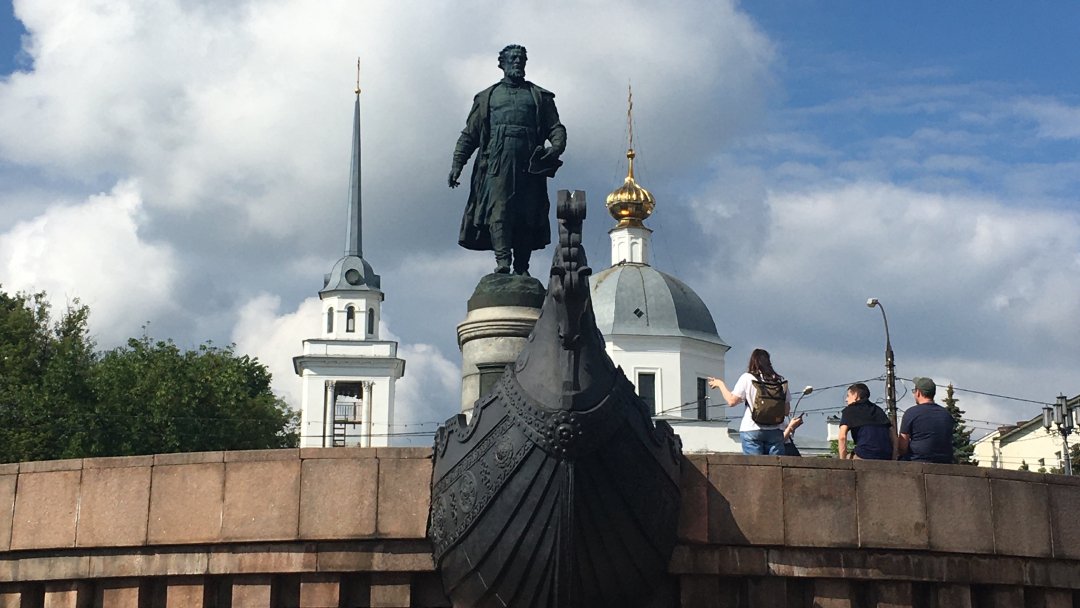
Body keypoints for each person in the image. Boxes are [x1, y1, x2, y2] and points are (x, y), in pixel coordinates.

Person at [448, 44, 567, 276]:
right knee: (499, 210)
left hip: (530, 163)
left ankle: (522, 267)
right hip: (497, 162)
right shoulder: (488, 97)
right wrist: (457, 164)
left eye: (521, 59)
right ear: (501, 63)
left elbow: (555, 127)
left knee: (527, 213)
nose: (517, 62)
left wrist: (556, 147)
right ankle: (503, 261)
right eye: (512, 58)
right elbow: (470, 135)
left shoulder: (539, 96)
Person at [708, 348, 791, 456]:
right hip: (775, 431)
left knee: (755, 465)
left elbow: (731, 401)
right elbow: (786, 411)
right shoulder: (779, 381)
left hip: (751, 429)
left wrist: (720, 384)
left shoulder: (747, 378)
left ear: (753, 362)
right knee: (775, 465)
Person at [898, 376, 955, 464]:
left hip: (917, 461)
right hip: (945, 461)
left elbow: (902, 447)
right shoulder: (946, 415)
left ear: (918, 393)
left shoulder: (911, 413)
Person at [837, 383, 895, 460]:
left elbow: (842, 437)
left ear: (855, 395)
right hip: (886, 456)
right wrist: (894, 457)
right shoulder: (878, 410)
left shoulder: (849, 411)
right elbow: (893, 435)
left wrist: (842, 462)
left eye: (848, 396)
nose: (846, 399)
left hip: (864, 454)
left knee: (847, 458)